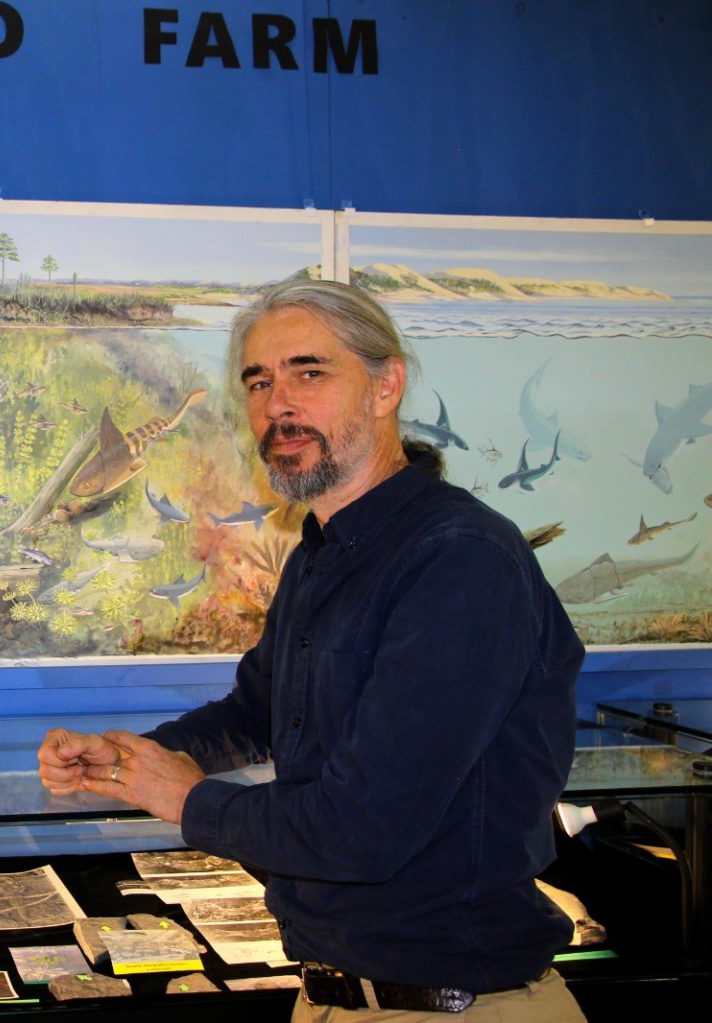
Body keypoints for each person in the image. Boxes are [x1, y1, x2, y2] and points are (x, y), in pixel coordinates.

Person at [38, 279, 586, 1020]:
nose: (277, 403)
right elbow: (260, 709)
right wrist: (131, 755)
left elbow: (365, 828)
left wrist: (188, 800)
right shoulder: (320, 552)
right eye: (258, 381)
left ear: (385, 384)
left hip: (457, 1005)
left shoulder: (460, 560)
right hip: (330, 992)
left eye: (309, 371)